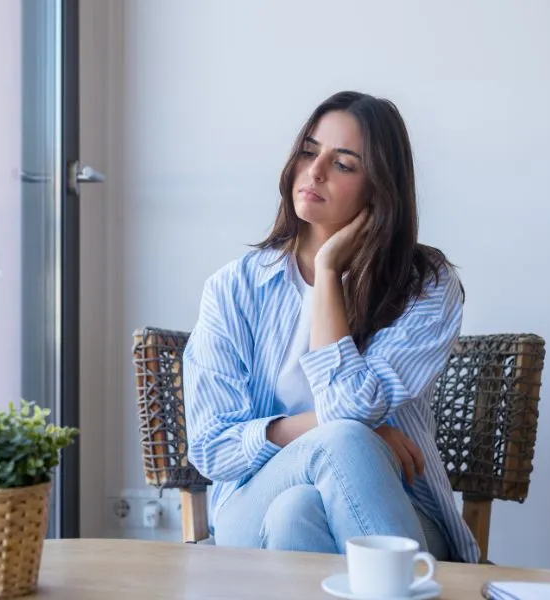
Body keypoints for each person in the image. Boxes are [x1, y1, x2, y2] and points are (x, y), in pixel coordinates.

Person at [182, 91, 480, 563]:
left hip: (398, 507)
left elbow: (349, 404)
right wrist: (332, 431)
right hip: (249, 505)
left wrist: (326, 272)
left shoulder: (425, 284)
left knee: (295, 513)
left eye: (343, 164)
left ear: (379, 188)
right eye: (308, 151)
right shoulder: (232, 289)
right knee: (341, 439)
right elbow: (213, 449)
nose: (315, 171)